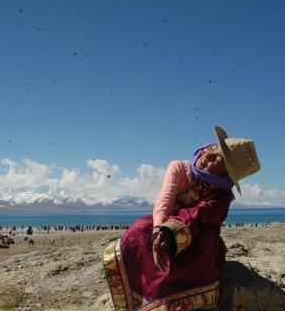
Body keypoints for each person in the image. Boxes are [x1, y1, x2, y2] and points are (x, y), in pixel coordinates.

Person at [103, 126, 261, 311]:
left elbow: (199, 215)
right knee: (138, 232)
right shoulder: (179, 167)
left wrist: (171, 236)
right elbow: (165, 199)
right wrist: (158, 232)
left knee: (205, 247)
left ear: (224, 177)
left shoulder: (222, 196)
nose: (207, 158)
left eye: (217, 163)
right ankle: (141, 297)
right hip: (164, 222)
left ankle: (172, 301)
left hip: (197, 232)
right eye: (212, 150)